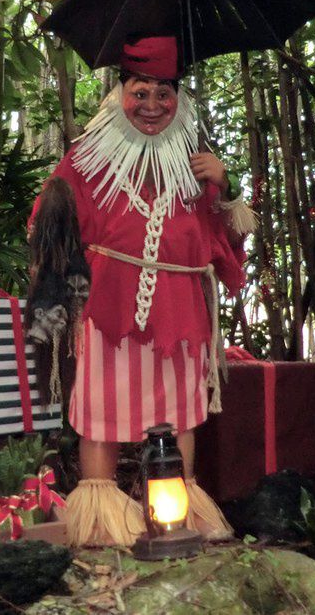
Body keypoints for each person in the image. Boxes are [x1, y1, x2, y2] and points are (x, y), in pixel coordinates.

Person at [28, 35, 255, 546]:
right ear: (120, 95)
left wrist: (227, 186)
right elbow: (46, 223)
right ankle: (101, 519)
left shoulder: (198, 167)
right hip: (108, 307)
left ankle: (178, 512)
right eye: (140, 93)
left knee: (179, 413)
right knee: (99, 408)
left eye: (163, 94)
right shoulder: (86, 159)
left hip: (180, 311)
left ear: (179, 100)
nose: (152, 106)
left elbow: (226, 241)